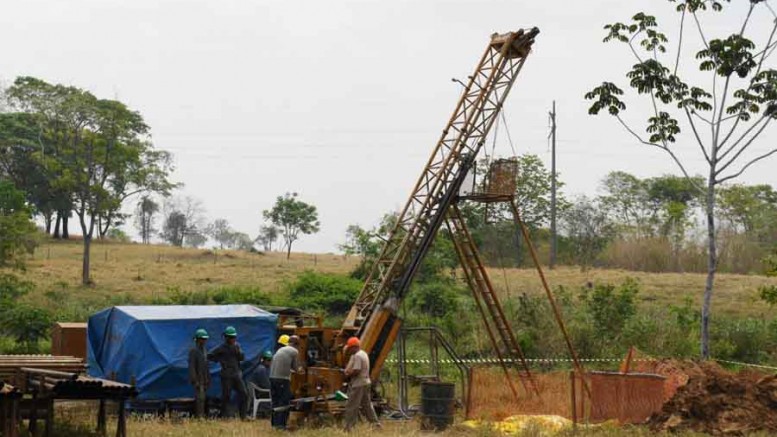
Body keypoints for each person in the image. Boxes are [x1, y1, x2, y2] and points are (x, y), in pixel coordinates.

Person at [208, 326, 248, 419]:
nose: (232, 339)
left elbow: (242, 358)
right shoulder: (221, 348)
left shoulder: (237, 346)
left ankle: (243, 416)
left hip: (236, 374)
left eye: (233, 337)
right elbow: (210, 355)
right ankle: (224, 416)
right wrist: (219, 359)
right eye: (230, 337)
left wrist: (238, 351)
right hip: (226, 376)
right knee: (226, 396)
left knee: (244, 394)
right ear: (225, 337)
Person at [343, 337, 380, 431]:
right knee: (367, 405)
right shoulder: (363, 353)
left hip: (358, 384)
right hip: (366, 382)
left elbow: (357, 370)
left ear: (354, 347)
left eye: (350, 348)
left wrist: (347, 374)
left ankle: (348, 427)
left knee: (352, 406)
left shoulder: (358, 356)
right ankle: (376, 424)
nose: (349, 350)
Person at [270, 334, 302, 430]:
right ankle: (281, 425)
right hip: (282, 379)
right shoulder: (294, 351)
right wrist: (301, 369)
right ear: (297, 344)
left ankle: (274, 424)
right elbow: (296, 368)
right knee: (284, 401)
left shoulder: (281, 350)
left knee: (276, 401)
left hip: (272, 378)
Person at [188, 328, 211, 418]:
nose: (204, 341)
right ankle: (199, 416)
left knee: (203, 398)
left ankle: (202, 415)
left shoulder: (205, 351)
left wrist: (208, 378)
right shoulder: (193, 351)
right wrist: (195, 380)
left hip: (204, 379)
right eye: (202, 339)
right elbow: (192, 367)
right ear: (197, 339)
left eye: (205, 339)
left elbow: (206, 366)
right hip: (198, 379)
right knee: (200, 398)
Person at [244, 350, 273, 416]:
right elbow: (267, 385)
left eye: (270, 359)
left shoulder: (262, 368)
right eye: (268, 360)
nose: (270, 361)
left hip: (258, 391)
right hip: (259, 392)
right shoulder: (261, 369)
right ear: (263, 360)